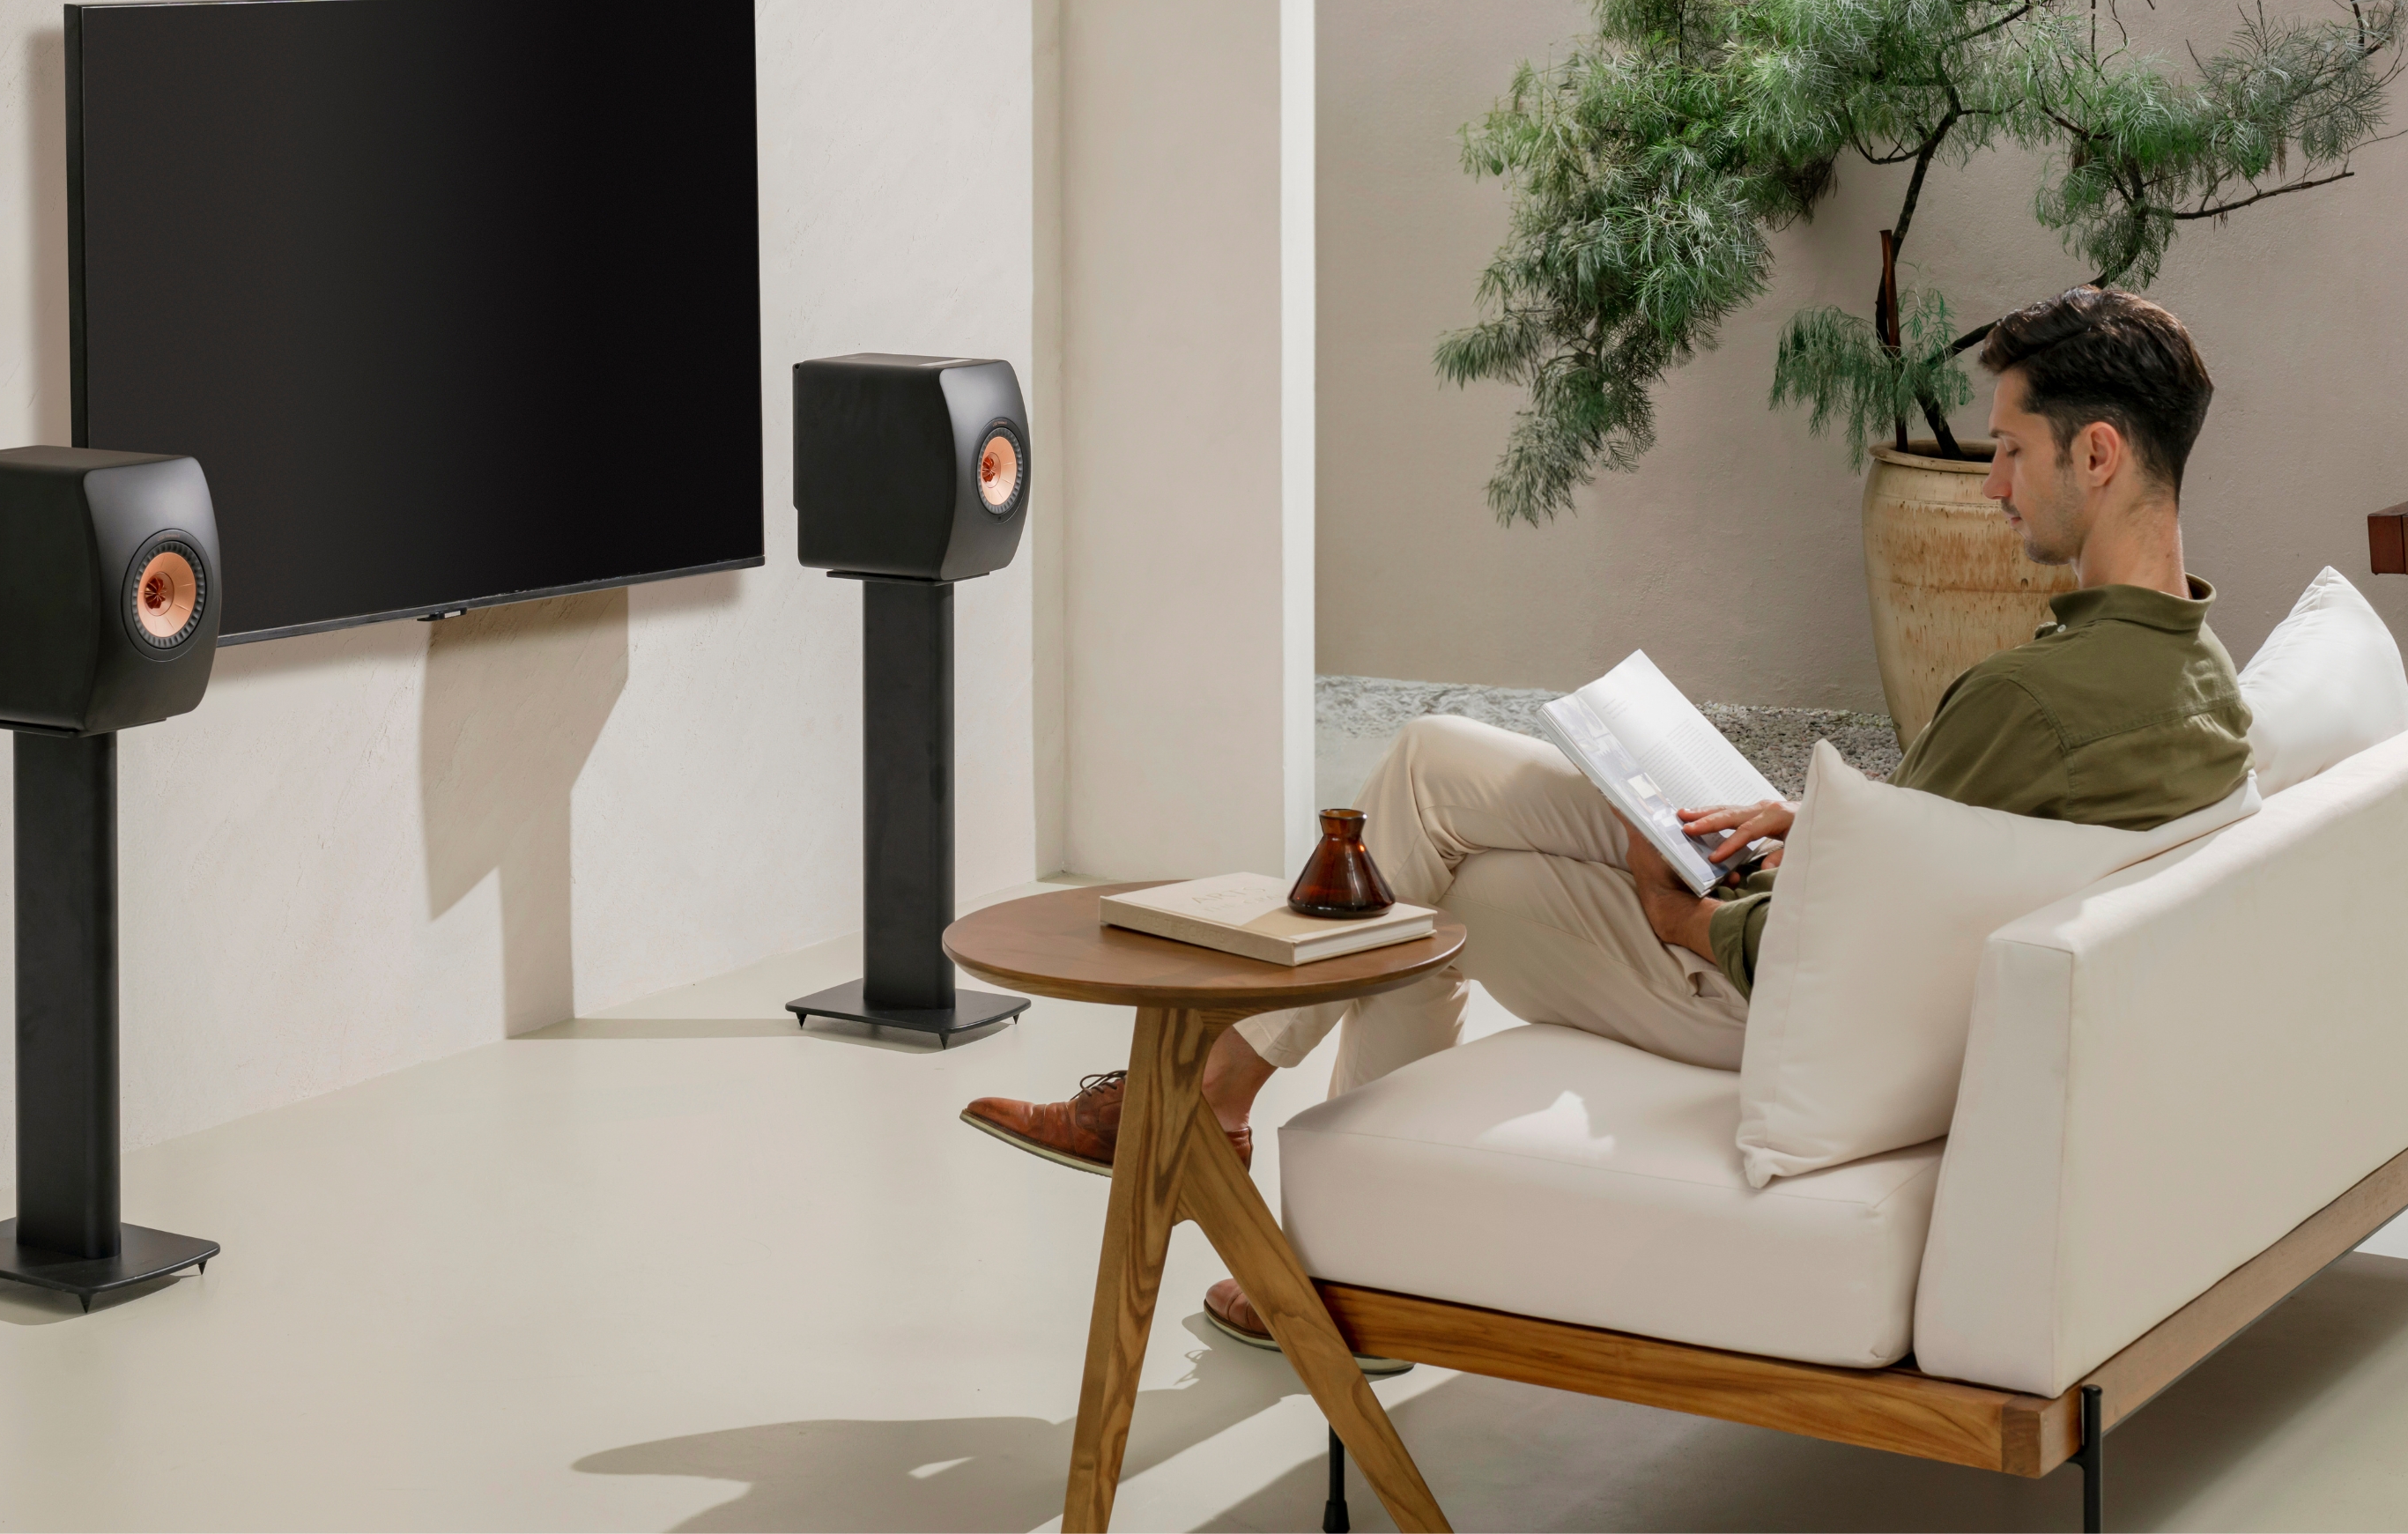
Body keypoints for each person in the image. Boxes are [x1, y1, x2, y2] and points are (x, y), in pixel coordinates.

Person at [964, 285, 2254, 1351]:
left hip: (1771, 995)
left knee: (1443, 884)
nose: (1992, 485)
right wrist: (1814, 822)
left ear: (2097, 454)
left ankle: (1227, 1136)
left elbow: (1842, 954)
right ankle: (1269, 1175)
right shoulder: (2202, 685)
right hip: (1835, 942)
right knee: (1429, 772)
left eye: (2012, 450)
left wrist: (1675, 910)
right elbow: (1958, 855)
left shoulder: (2029, 699)